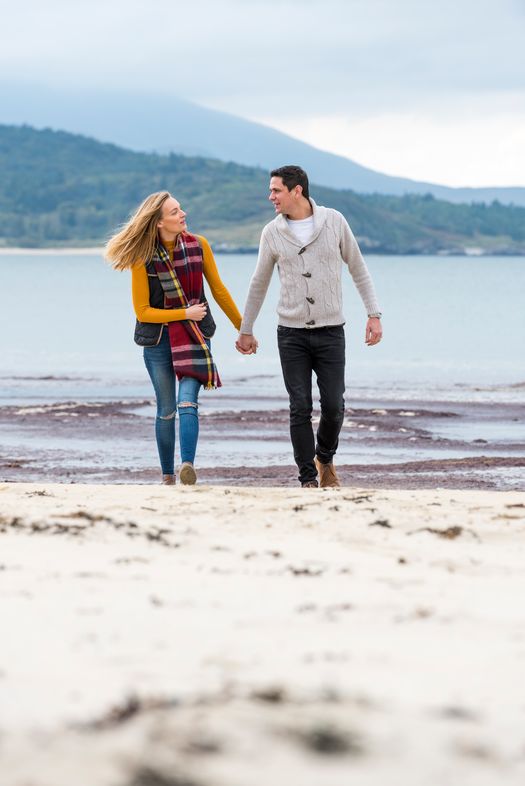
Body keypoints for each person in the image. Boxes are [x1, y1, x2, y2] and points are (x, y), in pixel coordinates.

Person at [236, 165, 382, 489]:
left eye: (276, 190)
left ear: (296, 190)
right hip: (291, 333)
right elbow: (258, 282)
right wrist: (246, 329)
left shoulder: (334, 221)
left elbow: (358, 268)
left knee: (334, 406)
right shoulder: (271, 233)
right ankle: (308, 479)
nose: (270, 196)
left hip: (331, 331)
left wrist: (374, 314)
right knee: (299, 406)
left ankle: (325, 457)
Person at [105, 191, 242, 485]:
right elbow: (143, 312)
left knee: (187, 403)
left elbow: (218, 290)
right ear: (158, 222)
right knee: (166, 410)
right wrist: (184, 313)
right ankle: (167, 476)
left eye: (180, 209)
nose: (183, 214)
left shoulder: (199, 245)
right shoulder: (142, 258)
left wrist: (243, 328)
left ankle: (186, 467)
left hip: (194, 337)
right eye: (175, 212)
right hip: (158, 344)